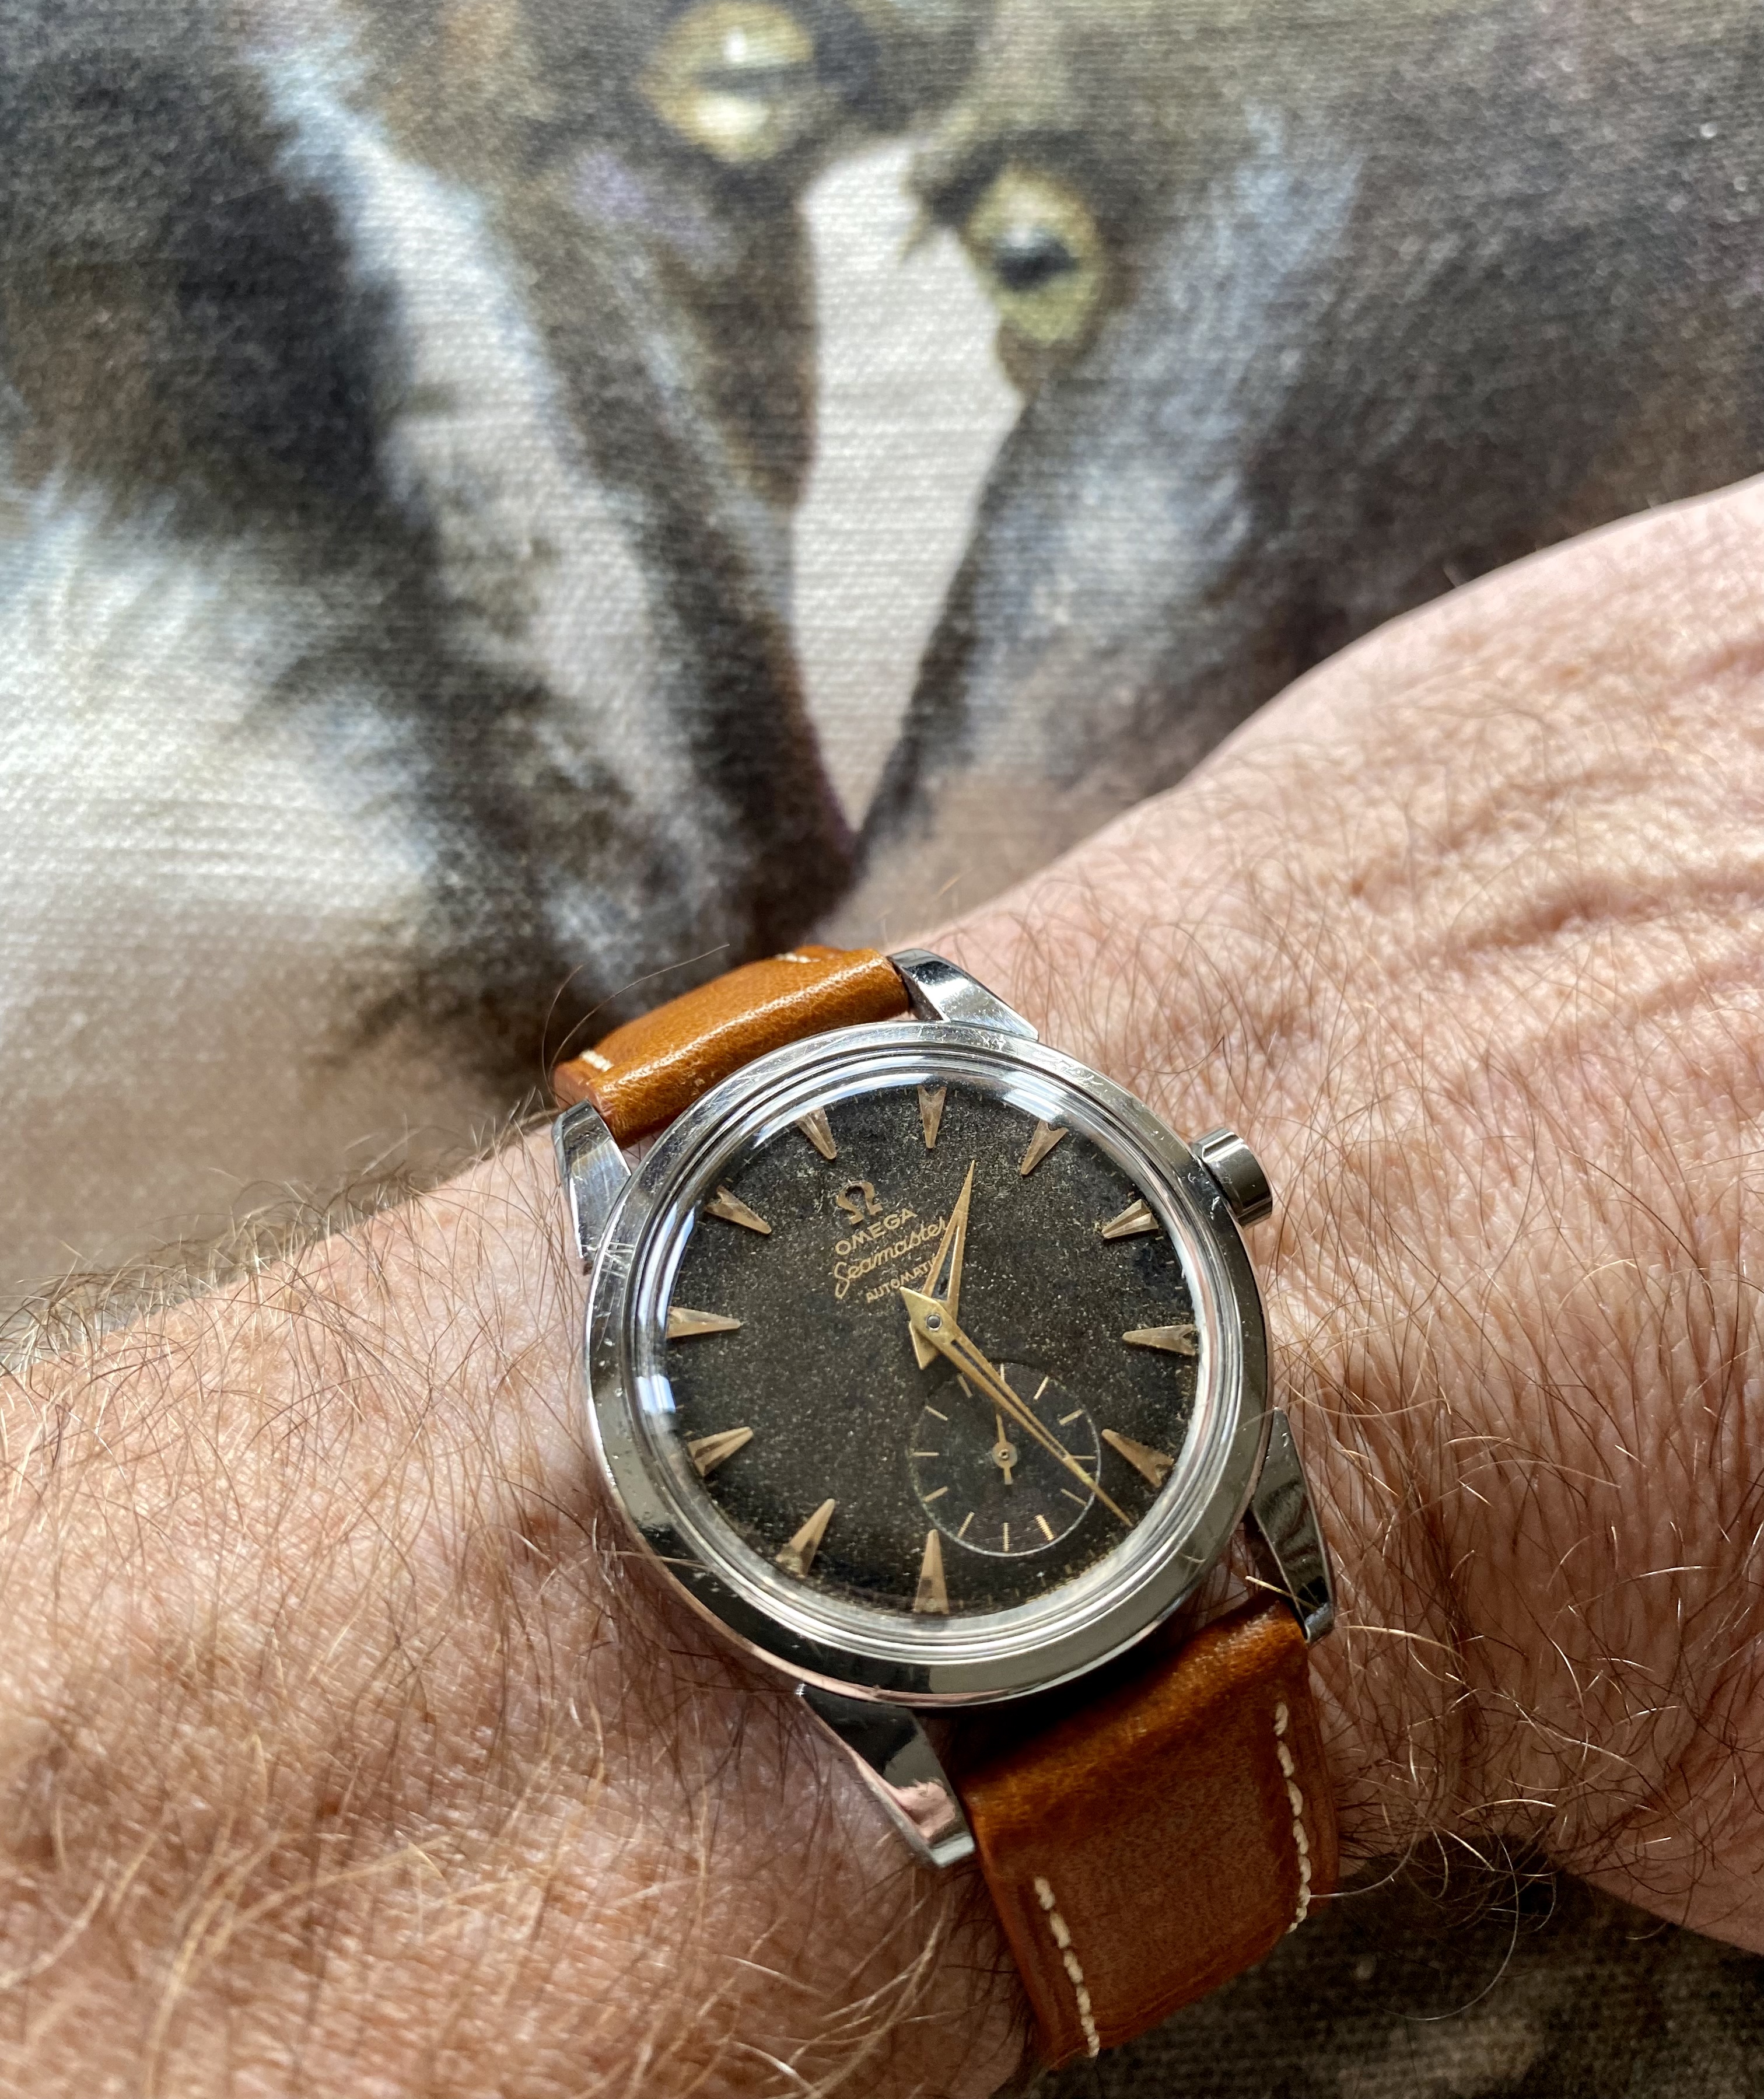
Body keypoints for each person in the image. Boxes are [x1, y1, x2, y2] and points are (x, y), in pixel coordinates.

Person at [2, 478, 1760, 2095]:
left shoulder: (1139, 1314)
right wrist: (1447, 1523)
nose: (929, 1324)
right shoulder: (679, 1351)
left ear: (1206, 1187)